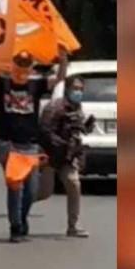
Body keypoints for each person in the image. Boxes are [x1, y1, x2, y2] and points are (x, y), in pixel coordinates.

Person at [0, 48, 68, 242]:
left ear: (31, 66)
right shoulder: (3, 83)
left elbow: (58, 79)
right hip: (9, 144)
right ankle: (15, 227)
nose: (22, 67)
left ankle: (22, 218)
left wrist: (63, 59)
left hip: (30, 146)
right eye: (19, 63)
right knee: (15, 187)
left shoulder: (36, 85)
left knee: (31, 190)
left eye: (26, 64)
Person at [39, 75, 95, 238]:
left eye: (80, 89)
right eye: (75, 88)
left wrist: (86, 127)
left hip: (69, 156)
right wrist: (60, 143)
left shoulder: (77, 107)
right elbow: (44, 131)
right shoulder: (54, 107)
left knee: (74, 185)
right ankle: (19, 210)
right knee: (44, 192)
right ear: (67, 89)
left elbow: (77, 128)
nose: (78, 92)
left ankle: (73, 226)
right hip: (52, 155)